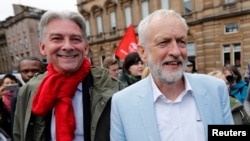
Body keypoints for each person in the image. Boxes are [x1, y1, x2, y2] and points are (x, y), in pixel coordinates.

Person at [110, 9, 233, 141]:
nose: (176, 51)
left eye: (181, 41)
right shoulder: (122, 103)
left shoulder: (216, 89)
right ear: (143, 52)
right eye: (164, 42)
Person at [13, 10, 124, 141]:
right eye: (57, 38)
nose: (67, 46)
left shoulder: (116, 90)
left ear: (86, 48)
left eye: (75, 39)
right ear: (43, 47)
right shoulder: (27, 92)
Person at [10, 56, 45, 135]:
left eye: (35, 71)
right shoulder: (17, 96)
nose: (30, 74)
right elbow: (15, 125)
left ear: (43, 71)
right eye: (25, 71)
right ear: (20, 73)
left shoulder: (51, 91)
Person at [0, 74, 22, 139]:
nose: (10, 85)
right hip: (7, 132)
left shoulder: (20, 95)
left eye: (12, 83)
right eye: (7, 83)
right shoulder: (2, 99)